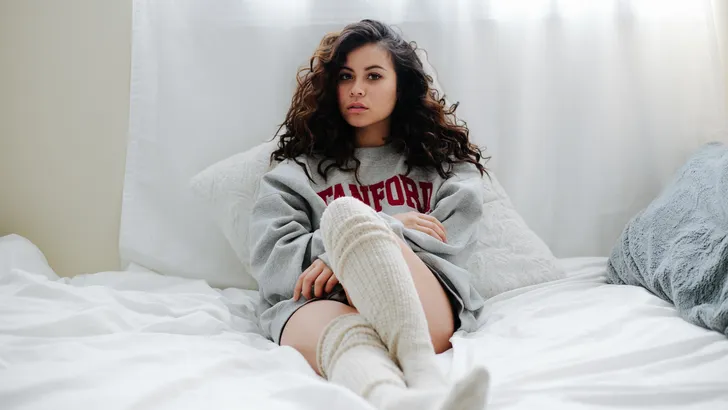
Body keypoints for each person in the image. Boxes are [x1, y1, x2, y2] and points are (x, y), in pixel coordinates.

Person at [250, 19, 490, 410]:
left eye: (374, 76)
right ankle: (402, 402)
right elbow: (272, 262)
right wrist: (381, 227)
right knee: (346, 217)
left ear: (401, 86)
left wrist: (362, 240)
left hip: (420, 304)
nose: (357, 89)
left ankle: (425, 377)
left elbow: (451, 248)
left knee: (346, 214)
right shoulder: (295, 173)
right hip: (321, 304)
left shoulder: (446, 167)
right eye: (346, 76)